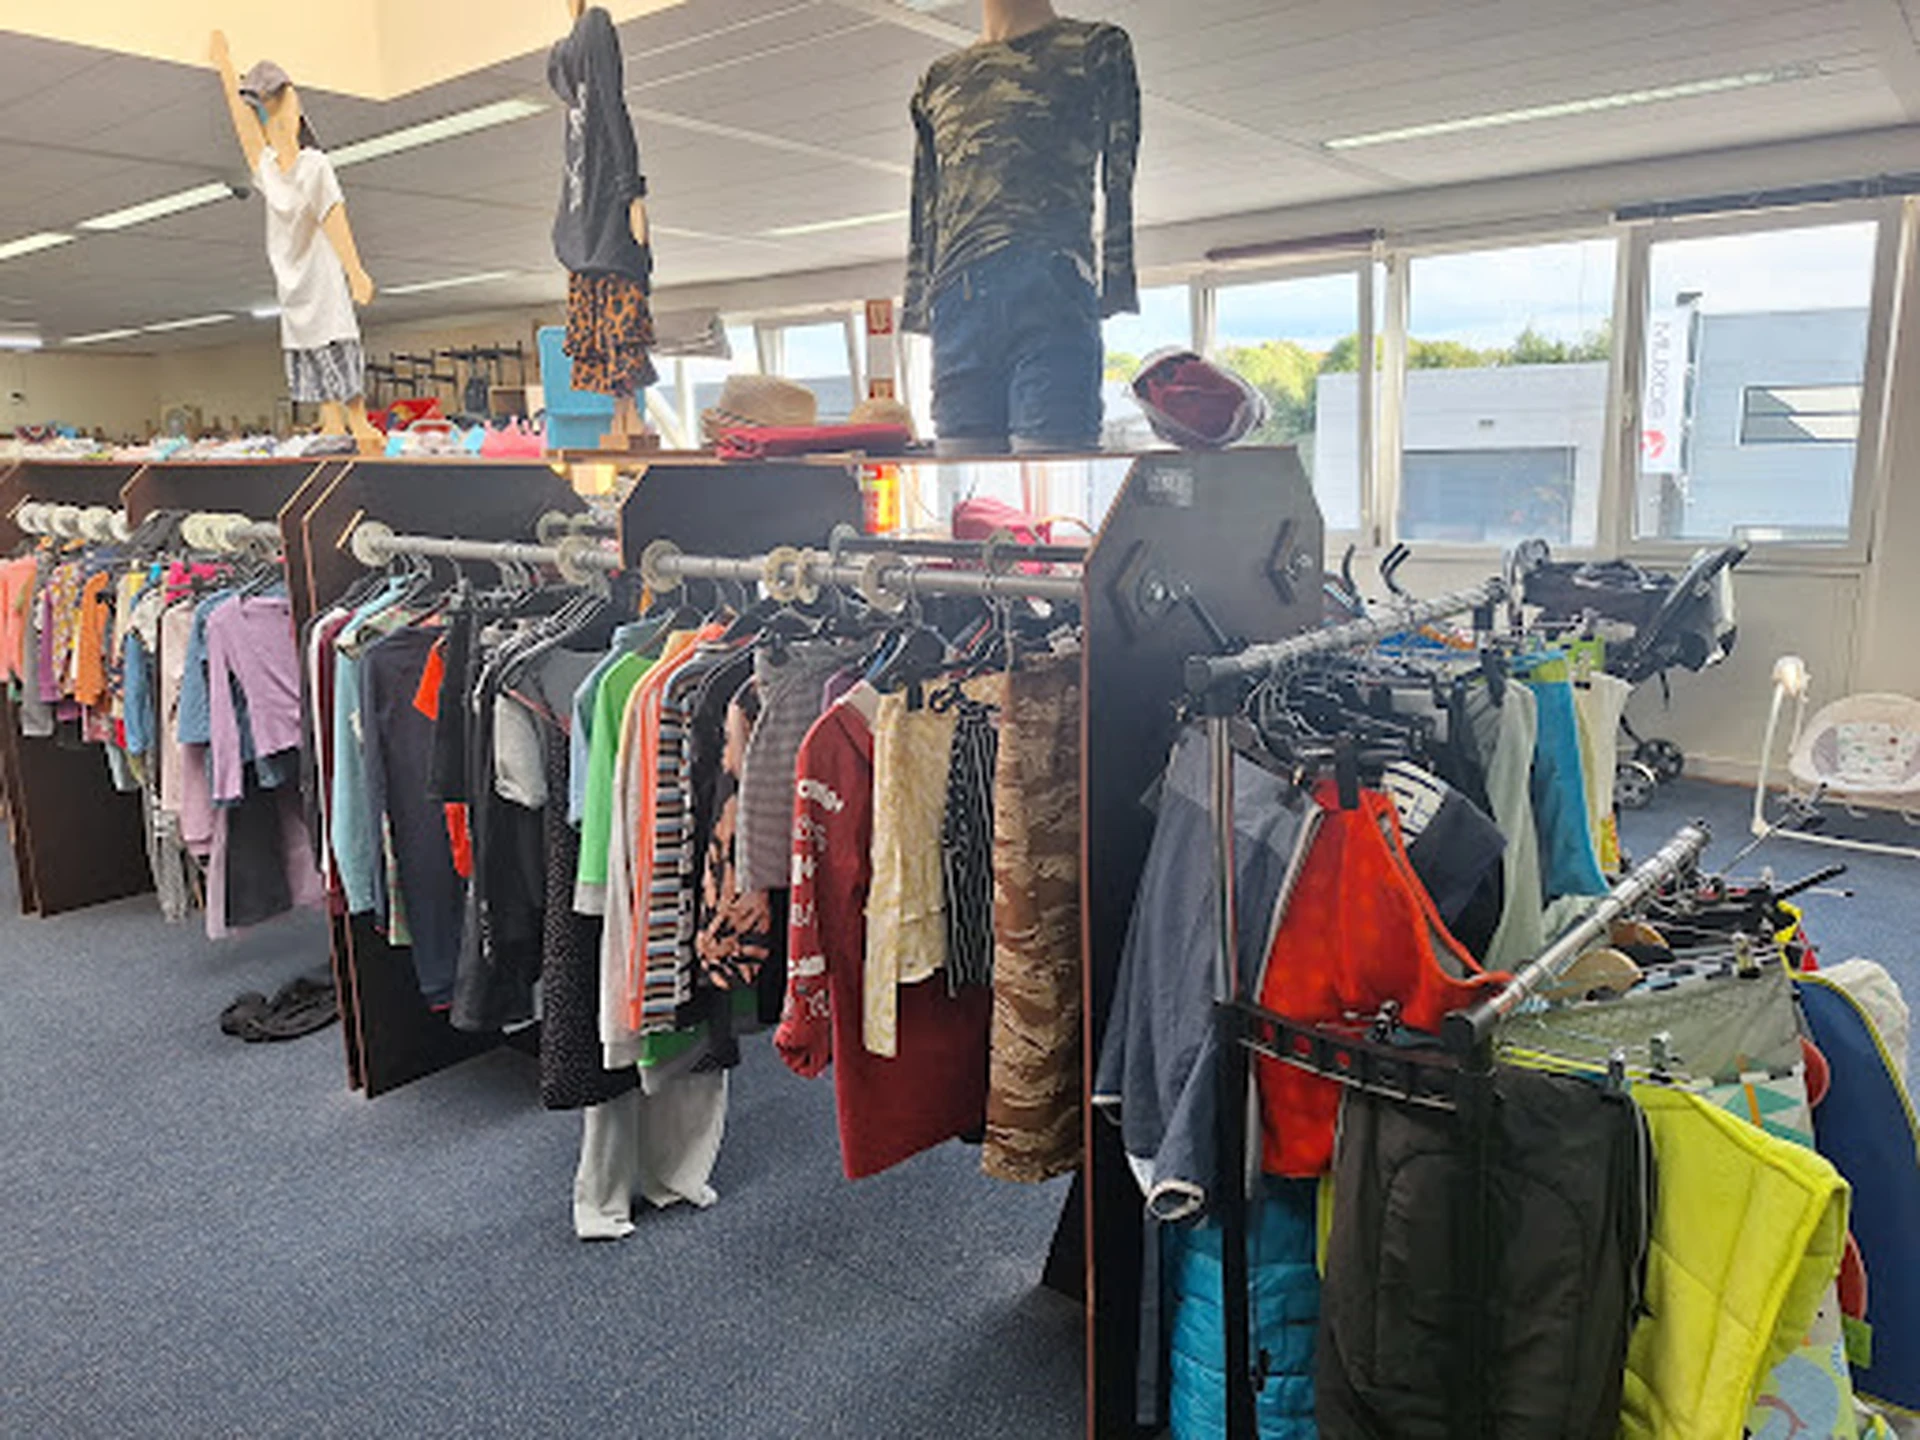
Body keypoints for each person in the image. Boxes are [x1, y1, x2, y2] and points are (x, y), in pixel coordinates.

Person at [209, 31, 380, 445]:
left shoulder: (313, 165)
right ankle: (331, 420)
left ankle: (356, 420)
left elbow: (333, 214)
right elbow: (242, 123)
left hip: (322, 279)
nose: (270, 123)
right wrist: (224, 66)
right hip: (292, 283)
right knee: (309, 350)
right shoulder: (268, 169)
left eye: (275, 111)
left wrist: (355, 271)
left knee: (336, 342)